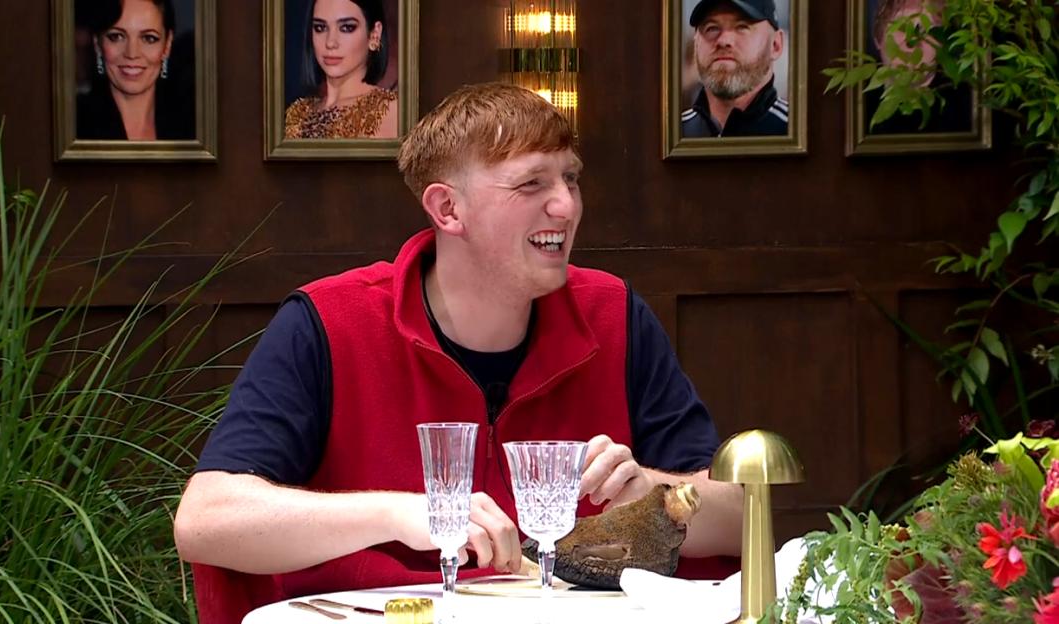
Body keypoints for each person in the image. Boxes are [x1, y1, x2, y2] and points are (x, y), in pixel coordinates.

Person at [174, 82, 743, 623]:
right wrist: (398, 513)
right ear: (447, 210)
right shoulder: (327, 322)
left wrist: (658, 494)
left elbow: (744, 518)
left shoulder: (614, 314)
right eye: (531, 185)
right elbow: (207, 520)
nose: (566, 206)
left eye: (570, 179)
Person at [76, 0, 193, 140]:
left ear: (167, 45)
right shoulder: (72, 124)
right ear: (97, 43)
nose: (132, 54)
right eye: (117, 36)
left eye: (149, 38)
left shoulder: (193, 125)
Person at [283, 0, 398, 139]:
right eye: (320, 28)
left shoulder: (391, 111)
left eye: (347, 28)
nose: (330, 43)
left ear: (374, 34)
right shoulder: (296, 114)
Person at [680, 0, 788, 138]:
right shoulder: (669, 137)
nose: (723, 41)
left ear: (776, 44)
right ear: (695, 45)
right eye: (712, 28)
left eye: (742, 27)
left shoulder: (800, 135)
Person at [865, 0, 972, 135]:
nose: (912, 41)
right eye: (902, 28)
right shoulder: (856, 107)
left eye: (926, 31)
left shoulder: (967, 111)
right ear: (877, 38)